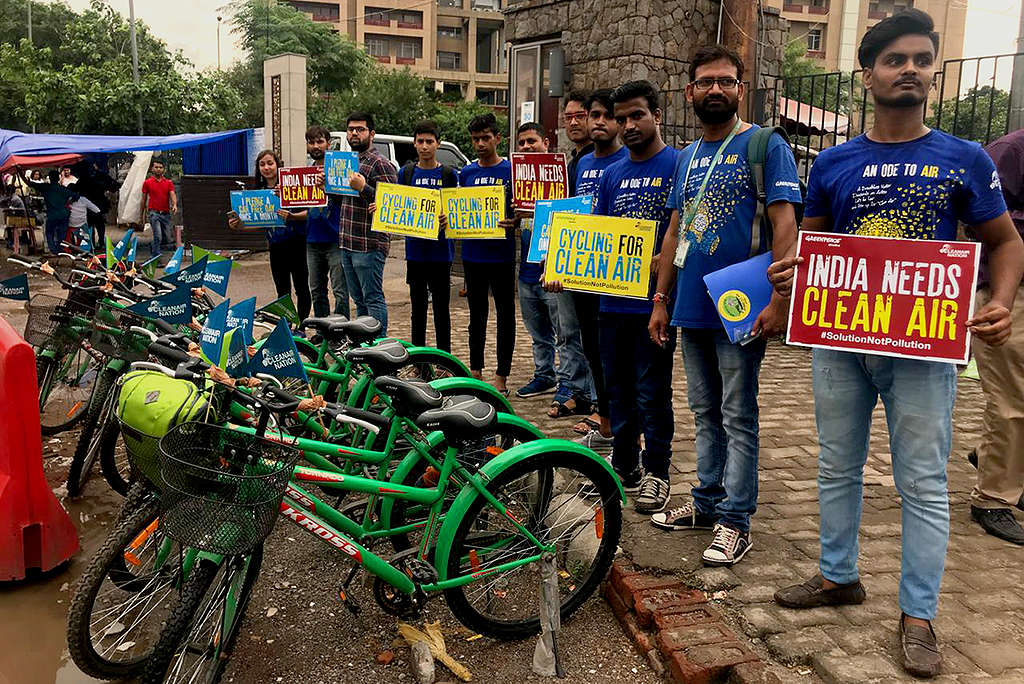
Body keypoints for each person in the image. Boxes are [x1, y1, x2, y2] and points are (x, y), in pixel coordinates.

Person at [769, 10, 1024, 678]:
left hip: (924, 353)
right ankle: (837, 577)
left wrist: (999, 301)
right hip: (841, 345)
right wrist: (790, 275)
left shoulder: (964, 158)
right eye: (894, 59)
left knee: (924, 482)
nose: (908, 68)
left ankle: (918, 615)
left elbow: (1005, 242)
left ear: (931, 71)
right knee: (833, 465)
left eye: (920, 58)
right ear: (868, 74)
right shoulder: (833, 161)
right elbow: (812, 246)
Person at [646, 45, 802, 567]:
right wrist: (661, 298)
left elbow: (785, 223)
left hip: (742, 306)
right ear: (690, 92)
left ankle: (736, 521)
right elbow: (673, 232)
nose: (716, 89)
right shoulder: (686, 158)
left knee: (738, 414)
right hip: (691, 304)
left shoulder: (764, 145)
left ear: (741, 88)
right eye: (706, 81)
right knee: (704, 411)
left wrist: (781, 299)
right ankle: (707, 501)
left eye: (726, 81)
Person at [592, 80, 679, 513]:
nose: (627, 125)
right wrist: (565, 268)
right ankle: (624, 463)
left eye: (636, 115)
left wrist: (661, 279)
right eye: (621, 118)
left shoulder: (677, 166)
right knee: (618, 388)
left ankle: (658, 470)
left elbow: (680, 234)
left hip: (654, 305)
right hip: (612, 302)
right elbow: (599, 236)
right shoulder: (611, 176)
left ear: (657, 115)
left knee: (652, 390)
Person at [554, 88, 630, 450]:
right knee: (592, 351)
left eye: (606, 116)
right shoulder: (582, 163)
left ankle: (628, 431)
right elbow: (568, 215)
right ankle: (606, 425)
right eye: (594, 115)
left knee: (617, 355)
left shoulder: (627, 161)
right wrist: (555, 260)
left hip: (616, 277)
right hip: (582, 271)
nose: (599, 122)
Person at [963, 128, 1024, 544]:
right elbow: (978, 221)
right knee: (1011, 401)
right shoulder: (1010, 151)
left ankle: (997, 462)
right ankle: (993, 499)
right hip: (1011, 295)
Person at [514, 122, 589, 406]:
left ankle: (569, 385)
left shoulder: (564, 176)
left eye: (532, 141)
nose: (526, 147)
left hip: (555, 270)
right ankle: (543, 374)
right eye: (521, 143)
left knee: (566, 334)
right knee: (537, 333)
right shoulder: (518, 178)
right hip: (527, 270)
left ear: (546, 142)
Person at [459, 112, 518, 395]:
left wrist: (516, 220)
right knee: (476, 316)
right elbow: (456, 208)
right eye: (475, 139)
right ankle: (475, 371)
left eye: (485, 138)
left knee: (505, 316)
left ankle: (501, 377)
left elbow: (527, 209)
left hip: (503, 255)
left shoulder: (512, 172)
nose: (480, 143)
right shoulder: (466, 174)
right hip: (472, 254)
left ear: (498, 138)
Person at [228, 149, 312, 321]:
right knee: (282, 290)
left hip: (297, 243)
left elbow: (310, 211)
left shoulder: (291, 186)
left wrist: (292, 216)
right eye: (262, 164)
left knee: (302, 287)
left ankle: (302, 325)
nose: (266, 167)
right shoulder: (257, 193)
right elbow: (257, 223)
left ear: (278, 165)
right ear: (258, 169)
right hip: (276, 247)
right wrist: (239, 226)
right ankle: (288, 325)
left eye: (270, 163)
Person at [399, 120, 458, 351]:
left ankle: (445, 359)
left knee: (442, 311)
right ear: (414, 144)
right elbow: (397, 205)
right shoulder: (406, 173)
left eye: (429, 142)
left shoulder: (448, 174)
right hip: (415, 253)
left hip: (441, 253)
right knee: (418, 310)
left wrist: (449, 218)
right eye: (420, 141)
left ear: (438, 144)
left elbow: (458, 210)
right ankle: (418, 359)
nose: (425, 146)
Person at [339, 112, 399, 333]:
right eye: (351, 129)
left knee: (373, 298)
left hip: (369, 244)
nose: (354, 133)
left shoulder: (381, 164)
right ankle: (364, 345)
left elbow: (394, 205)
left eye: (360, 129)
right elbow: (342, 199)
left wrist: (363, 187)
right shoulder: (345, 163)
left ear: (371, 134)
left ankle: (380, 347)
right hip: (347, 242)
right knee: (359, 300)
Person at [305, 125, 350, 319]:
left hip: (336, 238)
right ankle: (323, 332)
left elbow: (348, 198)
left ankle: (341, 331)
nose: (316, 146)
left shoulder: (339, 169)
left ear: (328, 144)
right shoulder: (303, 173)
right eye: (311, 142)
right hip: (312, 240)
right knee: (317, 290)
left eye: (319, 141)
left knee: (340, 291)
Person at [24, 169, 76, 254]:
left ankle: (54, 251)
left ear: (50, 178)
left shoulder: (46, 187)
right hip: (63, 214)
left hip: (52, 215)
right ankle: (60, 250)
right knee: (61, 234)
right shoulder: (62, 188)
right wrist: (67, 202)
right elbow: (75, 196)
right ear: (58, 178)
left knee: (49, 233)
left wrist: (20, 172)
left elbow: (29, 183)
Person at [140, 159, 176, 259]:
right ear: (152, 169)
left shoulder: (168, 182)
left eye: (160, 167)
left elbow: (172, 194)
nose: (158, 169)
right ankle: (155, 257)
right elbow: (143, 199)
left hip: (165, 213)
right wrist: (141, 215)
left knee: (168, 238)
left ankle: (153, 248)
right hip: (153, 213)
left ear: (163, 169)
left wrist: (174, 204)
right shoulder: (147, 183)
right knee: (158, 236)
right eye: (156, 167)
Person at [564, 90, 594, 197]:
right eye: (568, 117)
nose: (573, 123)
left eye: (580, 116)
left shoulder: (603, 159)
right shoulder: (571, 164)